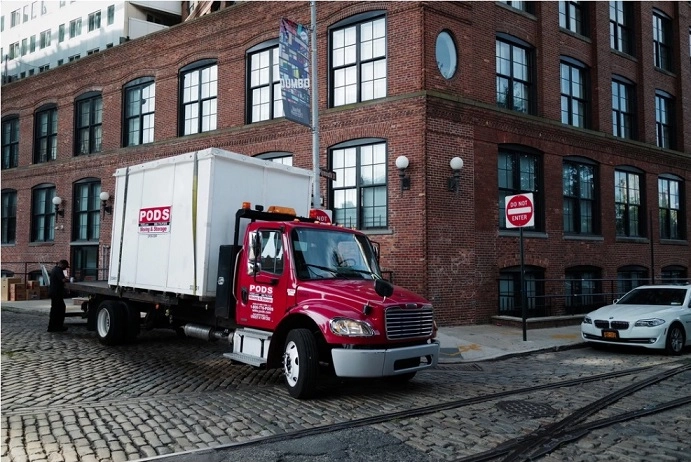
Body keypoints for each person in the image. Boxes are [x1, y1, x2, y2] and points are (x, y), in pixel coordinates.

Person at [47, 259, 70, 332]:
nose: (65, 268)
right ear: (62, 264)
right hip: (56, 293)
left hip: (54, 292)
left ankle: (53, 326)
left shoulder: (55, 269)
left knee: (55, 309)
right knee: (59, 309)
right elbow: (63, 280)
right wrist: (69, 280)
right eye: (65, 266)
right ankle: (57, 326)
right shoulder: (58, 270)